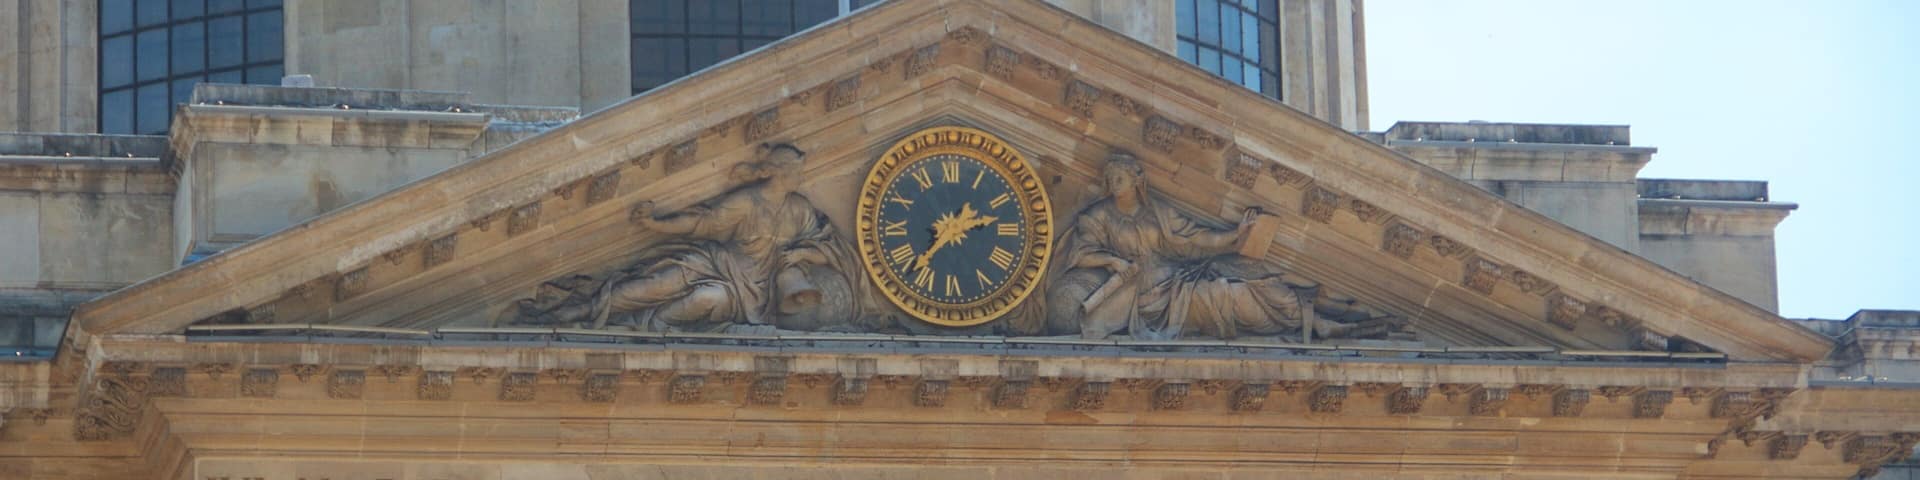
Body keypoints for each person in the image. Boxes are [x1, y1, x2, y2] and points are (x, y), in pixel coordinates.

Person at [1034, 152, 1403, 340]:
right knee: (1226, 295)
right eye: (1110, 177)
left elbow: (1194, 239)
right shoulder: (1097, 216)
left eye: (1120, 176)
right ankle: (1317, 322)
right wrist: (1114, 264)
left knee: (1257, 275)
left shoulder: (1157, 213)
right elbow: (1080, 254)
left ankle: (1320, 317)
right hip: (1140, 298)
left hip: (1176, 278)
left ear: (1137, 179)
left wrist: (1236, 235)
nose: (1114, 181)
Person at [504, 144, 874, 332]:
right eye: (797, 170)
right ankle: (560, 315)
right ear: (779, 173)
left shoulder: (801, 210)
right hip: (716, 265)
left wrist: (804, 257)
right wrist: (654, 224)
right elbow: (700, 223)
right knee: (637, 290)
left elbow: (832, 249)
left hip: (752, 296)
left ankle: (647, 328)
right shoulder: (746, 201)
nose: (802, 175)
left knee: (704, 299)